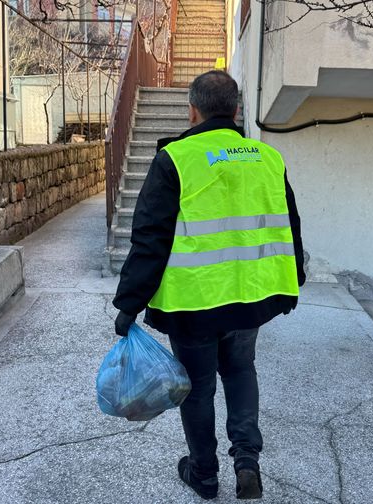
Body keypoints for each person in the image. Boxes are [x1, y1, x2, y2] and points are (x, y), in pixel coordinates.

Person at [112, 70, 305, 500]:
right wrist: (294, 282)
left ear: (192, 110)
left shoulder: (177, 159)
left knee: (198, 389)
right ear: (236, 110)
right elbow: (290, 226)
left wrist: (129, 303)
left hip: (194, 301)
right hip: (250, 295)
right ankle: (247, 463)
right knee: (240, 371)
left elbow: (150, 237)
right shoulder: (267, 158)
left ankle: (204, 473)